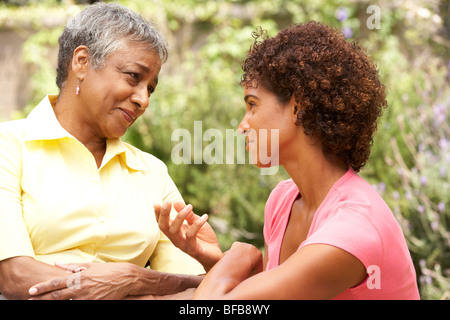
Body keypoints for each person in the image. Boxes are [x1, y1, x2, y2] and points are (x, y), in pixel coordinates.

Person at [155, 22, 420, 299]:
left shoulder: (353, 227)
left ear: (298, 107)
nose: (242, 126)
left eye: (252, 104)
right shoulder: (283, 201)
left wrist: (239, 258)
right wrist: (213, 259)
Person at [0, 2, 207, 300]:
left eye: (150, 88)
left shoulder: (152, 172)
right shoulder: (9, 146)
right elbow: (16, 275)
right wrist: (130, 284)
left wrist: (134, 279)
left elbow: (192, 281)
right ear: (82, 62)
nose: (143, 100)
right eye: (134, 77)